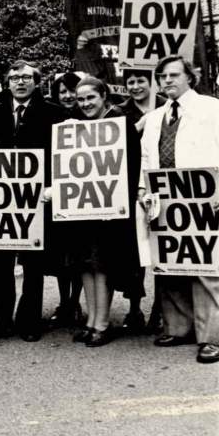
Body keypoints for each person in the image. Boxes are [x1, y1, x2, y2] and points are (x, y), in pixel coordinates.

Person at [0, 60, 67, 343]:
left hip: (37, 199)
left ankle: (29, 320)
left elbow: (63, 154)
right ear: (8, 83)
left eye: (26, 77)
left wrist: (52, 187)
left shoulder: (55, 114)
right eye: (14, 78)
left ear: (37, 82)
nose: (20, 82)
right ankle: (1, 320)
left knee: (34, 265)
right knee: (1, 264)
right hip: (2, 203)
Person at [138, 56, 219, 364]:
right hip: (164, 197)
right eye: (162, 77)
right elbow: (147, 157)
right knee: (170, 264)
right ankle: (178, 327)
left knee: (205, 266)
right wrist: (142, 189)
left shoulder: (213, 109)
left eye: (174, 75)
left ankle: (211, 337)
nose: (167, 81)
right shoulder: (156, 116)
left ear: (191, 76)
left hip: (203, 197)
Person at [66, 77, 141, 347]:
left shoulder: (120, 122)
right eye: (81, 99)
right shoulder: (76, 126)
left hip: (109, 206)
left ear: (103, 96)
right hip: (83, 206)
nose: (85, 103)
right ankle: (90, 320)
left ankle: (102, 323)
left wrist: (120, 201)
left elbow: (132, 165)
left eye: (90, 98)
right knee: (85, 264)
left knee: (103, 265)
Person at [116, 69, 167, 334]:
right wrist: (138, 126)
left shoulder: (166, 106)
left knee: (161, 249)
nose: (135, 86)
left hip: (159, 185)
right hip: (129, 187)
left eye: (140, 81)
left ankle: (160, 308)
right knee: (135, 253)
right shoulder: (120, 111)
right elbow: (114, 143)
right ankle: (134, 307)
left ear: (151, 83)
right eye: (131, 82)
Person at [47, 71, 88, 329]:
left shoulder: (91, 119)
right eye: (62, 91)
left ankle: (75, 301)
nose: (68, 96)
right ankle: (65, 302)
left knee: (81, 253)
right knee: (62, 256)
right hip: (58, 195)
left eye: (72, 91)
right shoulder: (51, 117)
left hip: (85, 195)